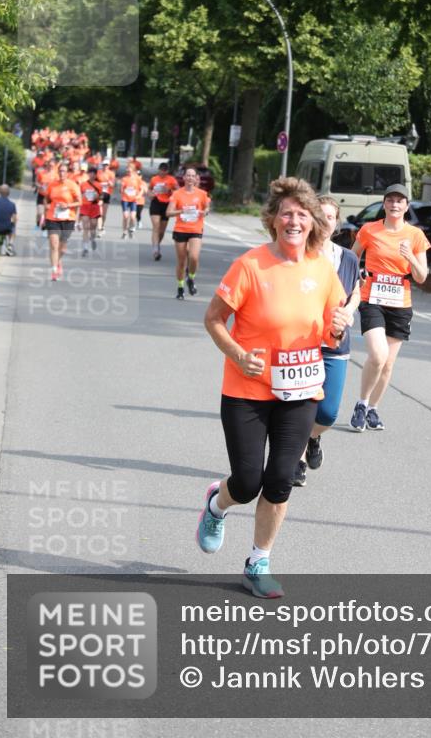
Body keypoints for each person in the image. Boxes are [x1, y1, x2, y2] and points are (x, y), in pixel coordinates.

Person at [199, 177, 350, 598]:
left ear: (315, 223)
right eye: (286, 213)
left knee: (281, 477)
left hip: (300, 390)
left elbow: (331, 330)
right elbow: (213, 319)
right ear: (273, 220)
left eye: (302, 214)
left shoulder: (322, 269)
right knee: (247, 482)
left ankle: (258, 561)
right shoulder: (250, 265)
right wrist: (236, 353)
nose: (294, 220)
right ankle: (216, 504)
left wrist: (338, 328)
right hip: (247, 389)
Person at [349, 183, 430, 432]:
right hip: (372, 299)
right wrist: (356, 279)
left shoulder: (415, 236)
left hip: (400, 304)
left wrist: (411, 257)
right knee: (377, 355)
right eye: (391, 200)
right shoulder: (369, 230)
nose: (395, 205)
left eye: (400, 201)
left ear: (407, 206)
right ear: (384, 204)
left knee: (388, 364)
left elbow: (421, 276)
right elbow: (352, 258)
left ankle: (373, 408)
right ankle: (361, 404)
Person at [292, 196, 360, 487]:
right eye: (320, 215)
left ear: (336, 223)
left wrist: (348, 311)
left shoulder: (348, 257)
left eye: (330, 217)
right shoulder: (299, 255)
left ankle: (314, 437)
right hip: (302, 343)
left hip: (335, 345)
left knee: (328, 412)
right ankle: (298, 461)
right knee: (301, 406)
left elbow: (356, 290)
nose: (325, 220)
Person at [166, 167, 210, 299]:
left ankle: (190, 278)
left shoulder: (202, 194)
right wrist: (181, 211)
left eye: (193, 176)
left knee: (194, 257)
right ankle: (180, 288)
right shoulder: (177, 194)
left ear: (196, 178)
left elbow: (207, 207)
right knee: (181, 261)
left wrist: (205, 212)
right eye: (188, 175)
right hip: (180, 230)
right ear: (184, 178)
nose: (190, 178)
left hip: (196, 229)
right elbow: (168, 213)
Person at [44, 162, 81, 280]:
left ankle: (58, 261)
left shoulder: (73, 185)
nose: (61, 173)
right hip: (53, 218)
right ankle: (54, 270)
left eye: (64, 171)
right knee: (54, 245)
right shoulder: (52, 185)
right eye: (60, 171)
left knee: (63, 248)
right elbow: (46, 198)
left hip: (68, 218)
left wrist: (68, 205)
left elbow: (80, 202)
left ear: (68, 173)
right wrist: (47, 206)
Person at [148, 161, 178, 260]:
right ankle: (155, 250)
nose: (162, 173)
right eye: (161, 171)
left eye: (164, 171)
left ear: (167, 171)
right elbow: (149, 189)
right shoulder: (154, 179)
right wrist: (150, 194)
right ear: (159, 170)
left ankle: (157, 245)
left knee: (162, 230)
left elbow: (178, 192)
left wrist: (169, 190)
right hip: (156, 203)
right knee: (156, 226)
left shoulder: (171, 180)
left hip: (166, 205)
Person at [79, 166, 103, 256]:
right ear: (88, 174)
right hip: (85, 207)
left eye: (93, 173)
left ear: (95, 175)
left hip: (94, 207)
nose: (91, 175)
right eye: (90, 173)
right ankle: (85, 247)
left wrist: (98, 197)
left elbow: (102, 196)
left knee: (93, 227)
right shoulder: (83, 185)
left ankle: (92, 239)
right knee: (86, 227)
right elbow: (79, 195)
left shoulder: (98, 185)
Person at [0, 185, 18, 255]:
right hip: (6, 229)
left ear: (0, 192)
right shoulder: (12, 204)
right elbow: (15, 219)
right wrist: (12, 224)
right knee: (13, 227)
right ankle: (10, 246)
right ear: (9, 193)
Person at [120, 167, 140, 238]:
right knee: (125, 216)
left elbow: (141, 189)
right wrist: (122, 190)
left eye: (130, 171)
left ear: (133, 171)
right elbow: (121, 189)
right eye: (127, 171)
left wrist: (138, 195)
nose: (128, 172)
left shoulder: (137, 179)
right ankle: (124, 231)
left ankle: (131, 228)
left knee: (132, 217)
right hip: (125, 199)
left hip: (133, 200)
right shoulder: (124, 179)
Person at [96, 159, 115, 233]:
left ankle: (102, 225)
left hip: (107, 193)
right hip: (100, 193)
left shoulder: (111, 174)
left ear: (108, 166)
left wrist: (110, 183)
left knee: (104, 213)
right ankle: (99, 227)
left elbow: (113, 185)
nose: (105, 166)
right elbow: (95, 183)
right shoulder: (98, 173)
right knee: (99, 210)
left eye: (107, 165)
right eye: (104, 165)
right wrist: (100, 184)